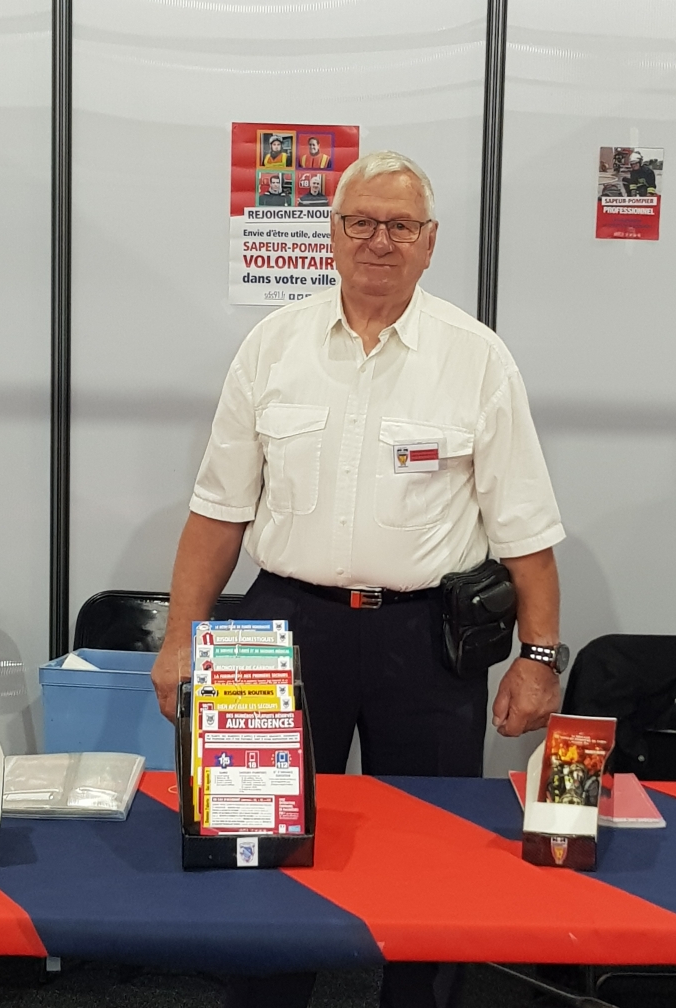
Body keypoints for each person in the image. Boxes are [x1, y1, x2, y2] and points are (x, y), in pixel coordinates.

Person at [152, 151, 566, 1008]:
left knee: (436, 852)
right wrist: (180, 639)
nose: (380, 240)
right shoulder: (273, 347)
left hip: (429, 639)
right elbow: (217, 512)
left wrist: (539, 659)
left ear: (430, 242)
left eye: (400, 225)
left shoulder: (477, 359)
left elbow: (527, 532)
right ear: (333, 235)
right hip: (286, 625)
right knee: (261, 844)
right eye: (362, 222)